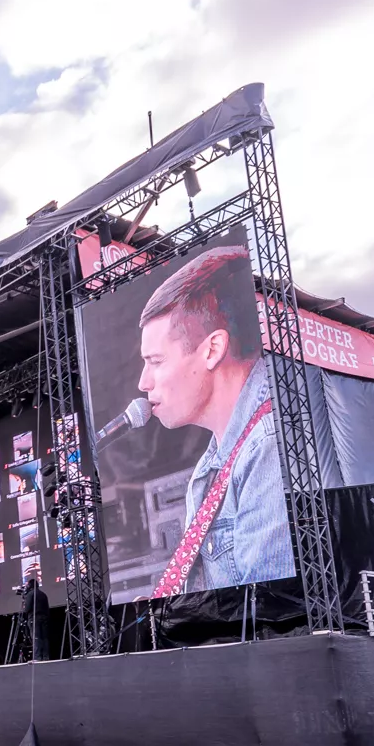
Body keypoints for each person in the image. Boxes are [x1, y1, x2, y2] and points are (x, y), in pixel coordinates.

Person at [136, 243, 289, 596]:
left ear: (213, 350)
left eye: (156, 361)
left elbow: (270, 612)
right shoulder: (216, 460)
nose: (143, 383)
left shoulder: (267, 445)